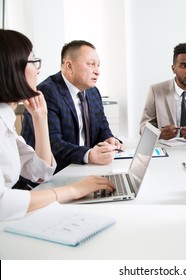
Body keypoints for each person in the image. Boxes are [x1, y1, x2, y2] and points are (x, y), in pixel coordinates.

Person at [0, 30, 115, 221]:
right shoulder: (49, 90)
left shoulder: (6, 119)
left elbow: (41, 173)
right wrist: (72, 190)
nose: (38, 70)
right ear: (12, 67)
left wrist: (40, 117)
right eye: (33, 61)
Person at [21, 40, 122, 174]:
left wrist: (109, 139)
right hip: (51, 175)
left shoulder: (93, 92)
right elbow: (53, 144)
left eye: (98, 65)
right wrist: (89, 155)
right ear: (69, 66)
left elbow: (102, 127)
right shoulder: (48, 92)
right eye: (91, 64)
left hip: (82, 169)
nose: (97, 71)